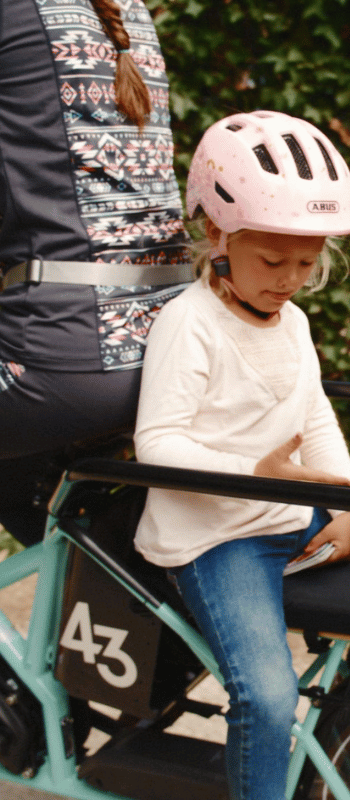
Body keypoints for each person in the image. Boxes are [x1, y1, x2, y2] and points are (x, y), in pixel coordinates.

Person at [133, 110, 350, 800]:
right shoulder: (190, 323)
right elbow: (159, 443)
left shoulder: (291, 319)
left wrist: (349, 502)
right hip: (215, 536)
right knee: (265, 698)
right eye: (274, 260)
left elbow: (312, 409)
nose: (292, 278)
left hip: (294, 513)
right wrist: (259, 480)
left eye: (308, 260)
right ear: (217, 233)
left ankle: (338, 752)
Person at [0, 0, 193, 545]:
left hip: (60, 365)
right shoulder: (125, 11)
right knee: (20, 492)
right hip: (163, 350)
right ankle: (96, 606)